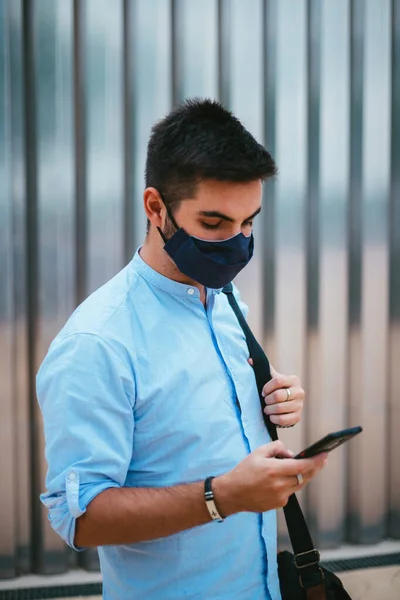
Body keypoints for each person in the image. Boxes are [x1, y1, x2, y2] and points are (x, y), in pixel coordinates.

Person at [37, 99, 327, 600]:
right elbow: (79, 518)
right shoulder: (98, 343)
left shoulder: (225, 298)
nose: (235, 244)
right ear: (156, 208)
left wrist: (272, 398)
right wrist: (224, 497)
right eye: (213, 224)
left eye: (249, 223)